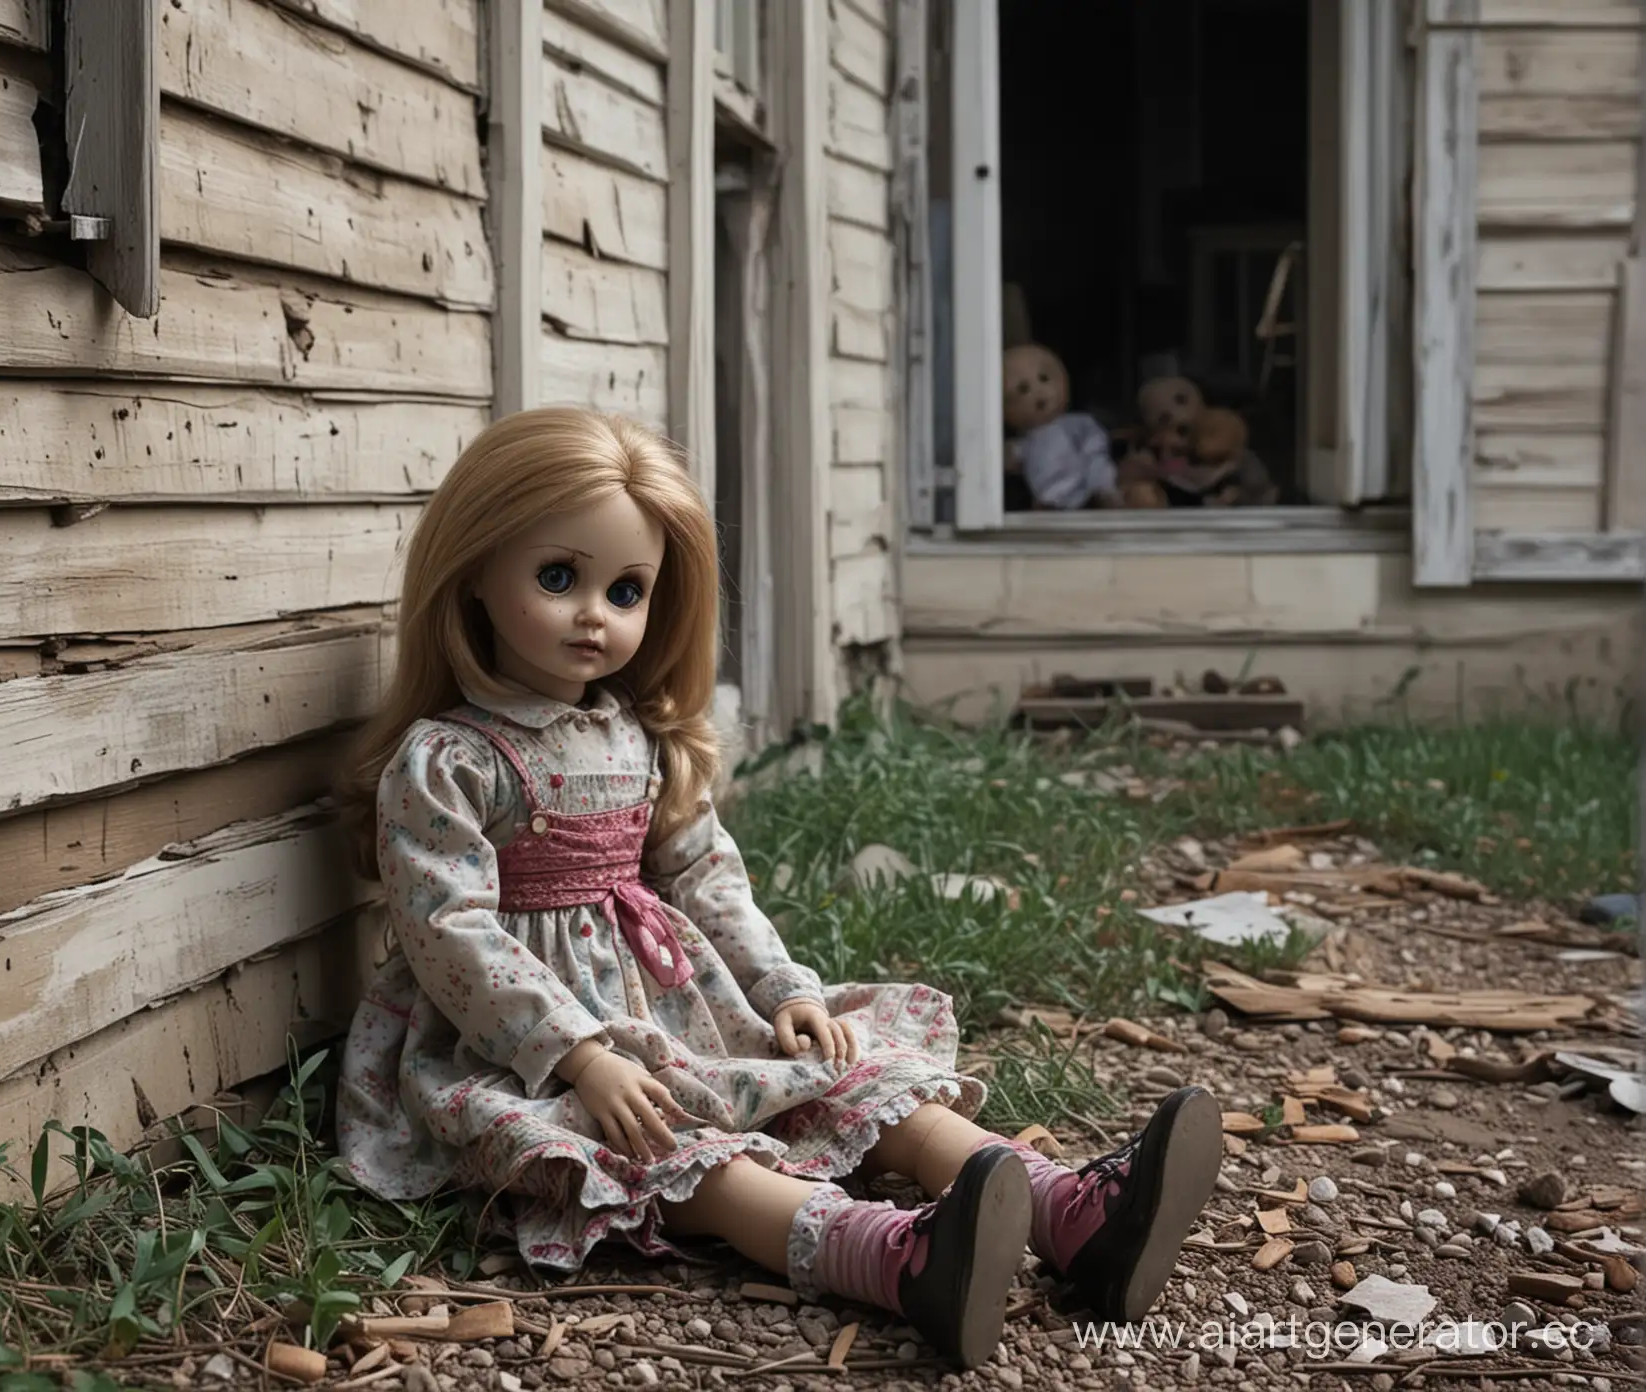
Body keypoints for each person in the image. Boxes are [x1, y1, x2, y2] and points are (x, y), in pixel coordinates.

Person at [336, 407, 1221, 1369]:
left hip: (675, 1003)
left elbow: (707, 877)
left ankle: (1068, 1213)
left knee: (835, 1073)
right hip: (517, 1042)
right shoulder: (450, 758)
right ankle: (894, 1259)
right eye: (559, 578)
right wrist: (579, 1054)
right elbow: (446, 926)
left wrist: (783, 988)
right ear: (472, 573)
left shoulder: (638, 738)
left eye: (625, 589)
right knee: (667, 1151)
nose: (596, 614)